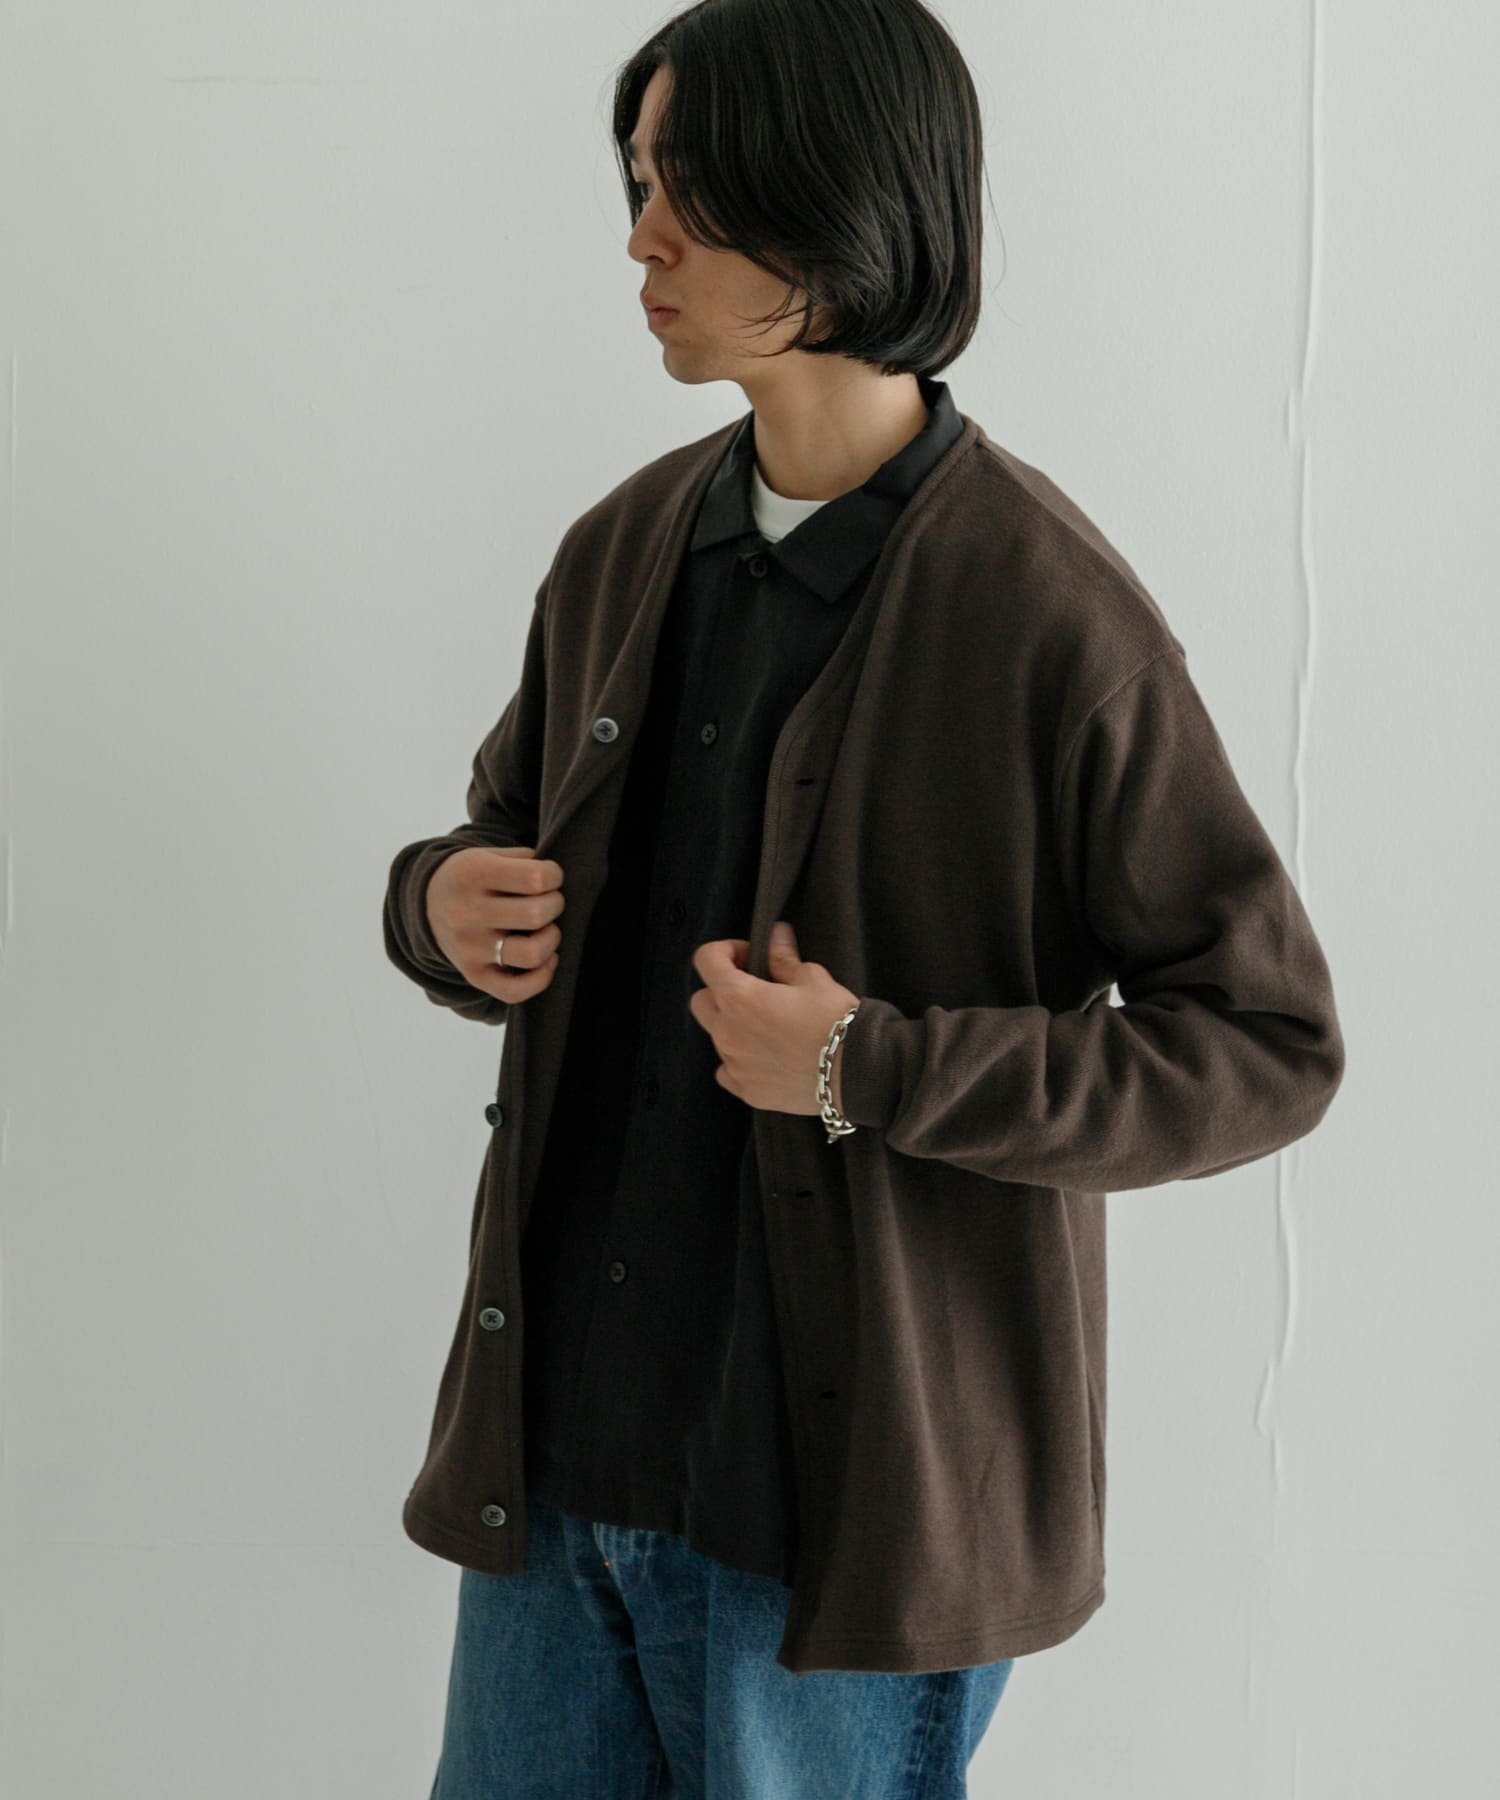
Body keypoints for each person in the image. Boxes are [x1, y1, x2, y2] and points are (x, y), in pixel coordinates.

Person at [381, 4, 1344, 1796]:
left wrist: (868, 1068)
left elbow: (1266, 1045)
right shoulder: (622, 549)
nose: (643, 240)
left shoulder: (1051, 617)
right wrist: (437, 907)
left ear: (834, 208)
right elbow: (495, 842)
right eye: (638, 183)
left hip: (830, 1529)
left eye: (690, 190)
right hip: (561, 1471)